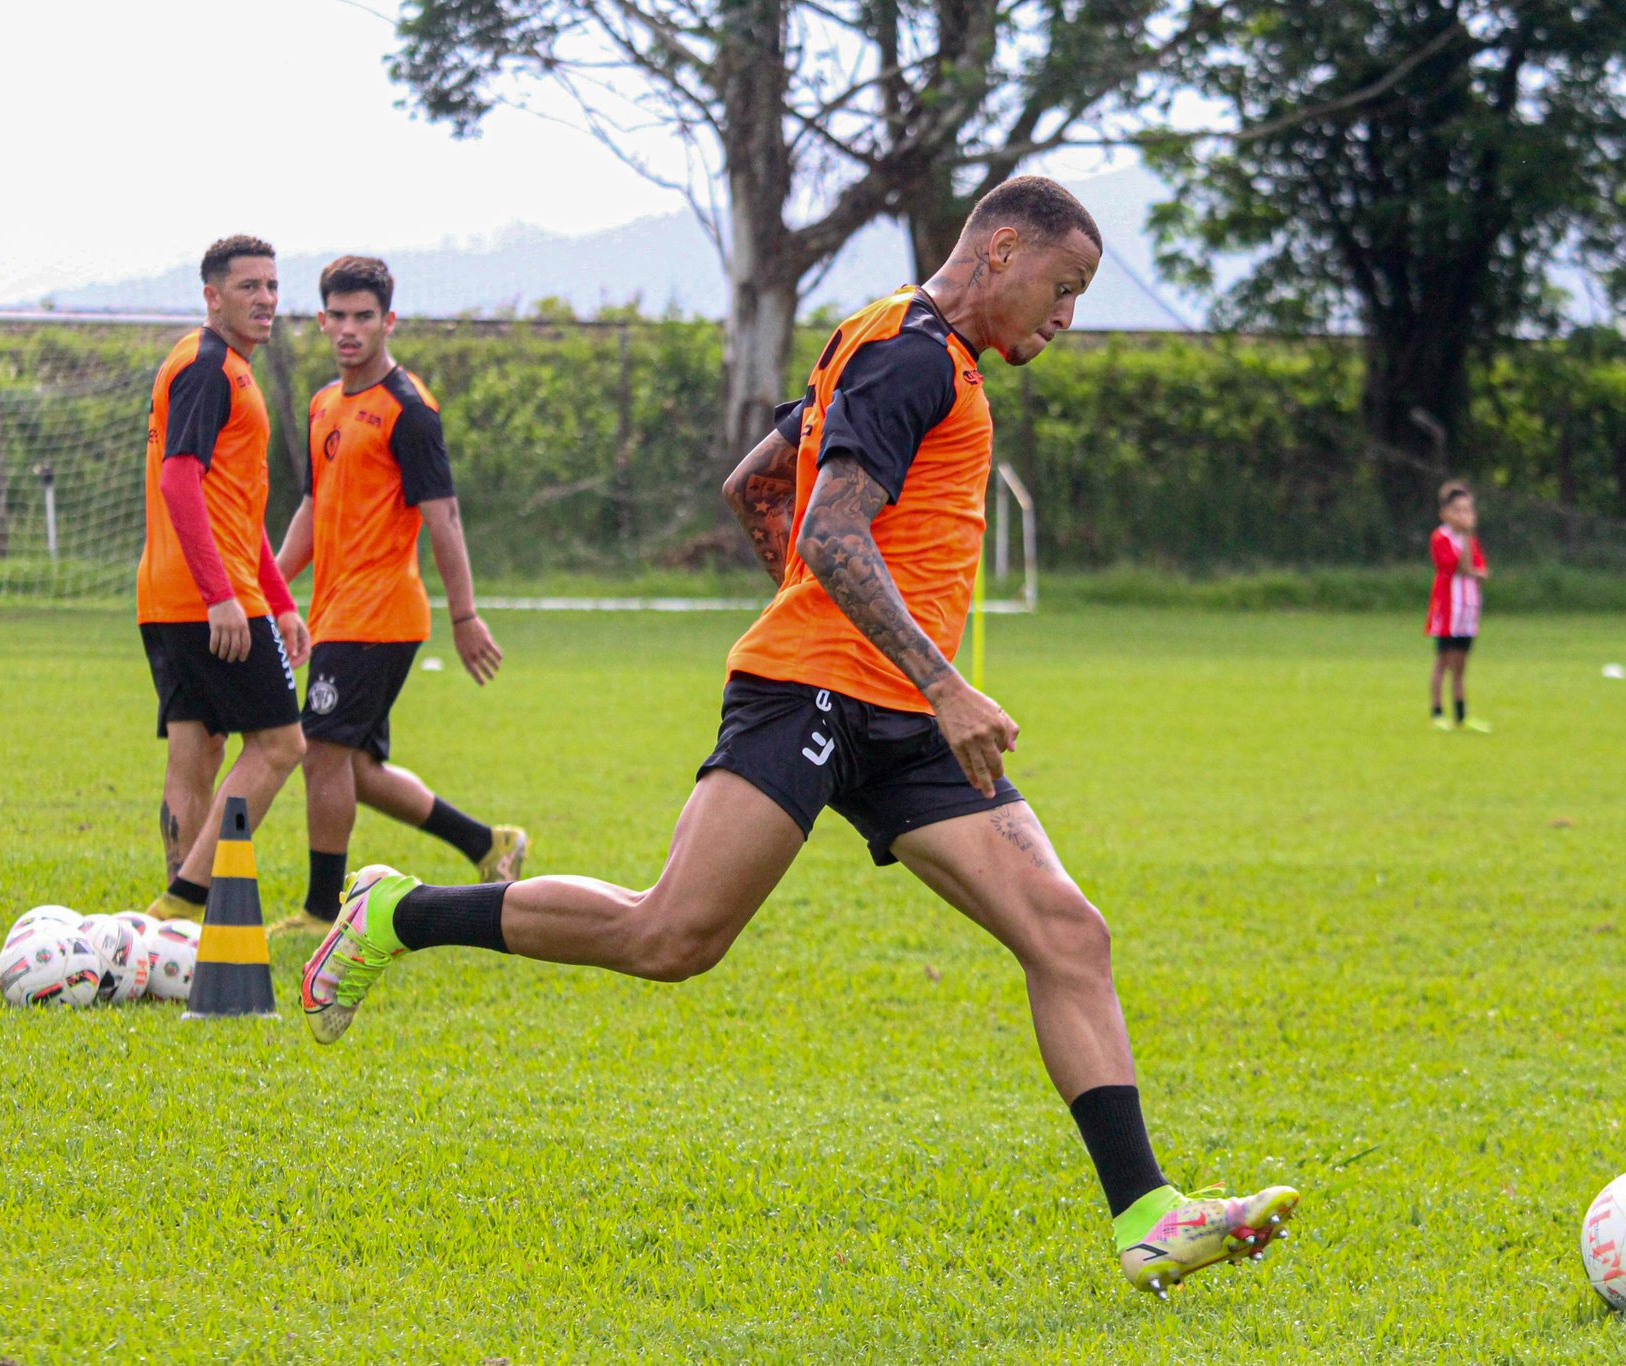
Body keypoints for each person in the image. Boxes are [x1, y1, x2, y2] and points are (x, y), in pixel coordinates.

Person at [298, 177, 1297, 1298]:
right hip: (814, 692)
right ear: (1001, 250)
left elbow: (756, 482)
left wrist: (903, 671)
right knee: (670, 936)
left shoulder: (903, 346)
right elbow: (827, 524)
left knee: (1067, 932)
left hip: (901, 715)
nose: (1064, 318)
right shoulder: (910, 355)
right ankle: (394, 912)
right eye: (1060, 290)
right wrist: (935, 676)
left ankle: (1147, 1214)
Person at [267, 255, 526, 937]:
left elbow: (444, 517)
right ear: (322, 321)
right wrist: (269, 581)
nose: (350, 330)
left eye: (364, 317)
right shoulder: (326, 401)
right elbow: (312, 510)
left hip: (379, 614)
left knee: (320, 752)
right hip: (338, 610)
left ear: (389, 320)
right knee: (355, 766)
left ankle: (323, 911)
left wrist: (464, 615)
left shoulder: (409, 411)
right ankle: (486, 843)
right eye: (339, 317)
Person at [138, 235, 308, 922]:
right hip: (207, 599)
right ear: (213, 297)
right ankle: (180, 907)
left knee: (197, 751)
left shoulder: (216, 365)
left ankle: (171, 929)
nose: (265, 299)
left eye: (271, 285)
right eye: (249, 287)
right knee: (279, 745)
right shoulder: (211, 368)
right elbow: (180, 480)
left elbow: (236, 507)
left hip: (166, 595)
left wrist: (281, 600)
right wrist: (223, 597)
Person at [1427, 480, 1490, 732]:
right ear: (1445, 513)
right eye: (1459, 510)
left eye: (1468, 510)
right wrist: (1466, 537)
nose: (1465, 516)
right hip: (1448, 608)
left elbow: (1481, 571)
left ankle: (1461, 715)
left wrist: (1470, 549)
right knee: (1444, 660)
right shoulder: (1441, 537)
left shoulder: (1468, 540)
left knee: (1461, 663)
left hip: (1468, 607)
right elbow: (1462, 567)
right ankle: (1437, 712)